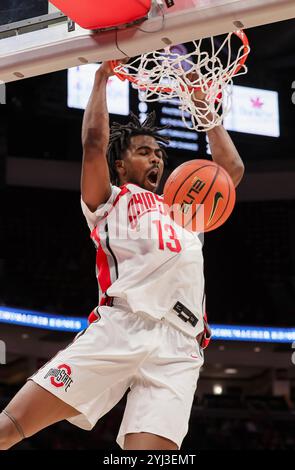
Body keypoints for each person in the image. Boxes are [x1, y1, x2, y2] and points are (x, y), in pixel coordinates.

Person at [0, 62, 244, 451]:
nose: (156, 160)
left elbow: (230, 170)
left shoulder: (186, 209)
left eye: (159, 154)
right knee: (8, 428)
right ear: (120, 165)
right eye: (144, 152)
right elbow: (94, 143)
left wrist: (205, 110)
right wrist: (101, 80)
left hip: (181, 346)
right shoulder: (110, 200)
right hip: (121, 326)